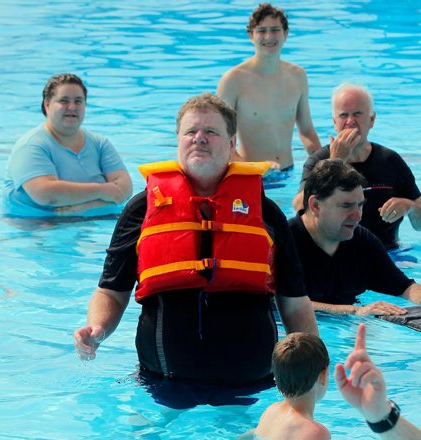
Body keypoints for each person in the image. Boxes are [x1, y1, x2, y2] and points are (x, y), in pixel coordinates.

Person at [74, 93, 318, 402]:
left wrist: (314, 363)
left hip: (252, 386)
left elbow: (294, 302)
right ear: (178, 141)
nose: (199, 139)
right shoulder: (141, 209)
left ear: (232, 145)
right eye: (191, 132)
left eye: (211, 132)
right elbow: (111, 290)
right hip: (162, 384)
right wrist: (98, 330)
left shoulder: (265, 213)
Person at [289, 159, 421, 316]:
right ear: (315, 205)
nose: (357, 216)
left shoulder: (362, 241)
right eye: (346, 206)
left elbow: (404, 286)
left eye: (360, 205)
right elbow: (281, 303)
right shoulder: (284, 242)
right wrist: (355, 311)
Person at [293, 83, 421, 249]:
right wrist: (336, 161)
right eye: (344, 115)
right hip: (338, 255)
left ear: (372, 119)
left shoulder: (390, 161)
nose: (350, 122)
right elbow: (300, 207)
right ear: (335, 122)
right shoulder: (320, 161)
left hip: (388, 254)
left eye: (357, 114)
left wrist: (409, 207)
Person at [217, 3, 321, 185]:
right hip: (249, 176)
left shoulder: (297, 76)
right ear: (251, 35)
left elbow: (306, 131)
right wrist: (255, 169)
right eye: (262, 31)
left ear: (285, 34)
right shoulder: (233, 80)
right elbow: (219, 138)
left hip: (289, 173)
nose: (269, 37)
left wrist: (324, 166)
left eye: (275, 30)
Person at [3, 73, 132, 218]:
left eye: (78, 101)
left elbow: (125, 189)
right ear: (47, 105)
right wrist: (103, 191)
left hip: (93, 221)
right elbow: (47, 194)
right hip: (38, 227)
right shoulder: (31, 146)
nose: (72, 107)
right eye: (64, 101)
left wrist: (85, 207)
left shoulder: (99, 143)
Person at [251, 332, 331, 440]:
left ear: (276, 377)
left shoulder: (271, 410)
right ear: (323, 375)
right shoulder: (316, 433)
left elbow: (254, 437)